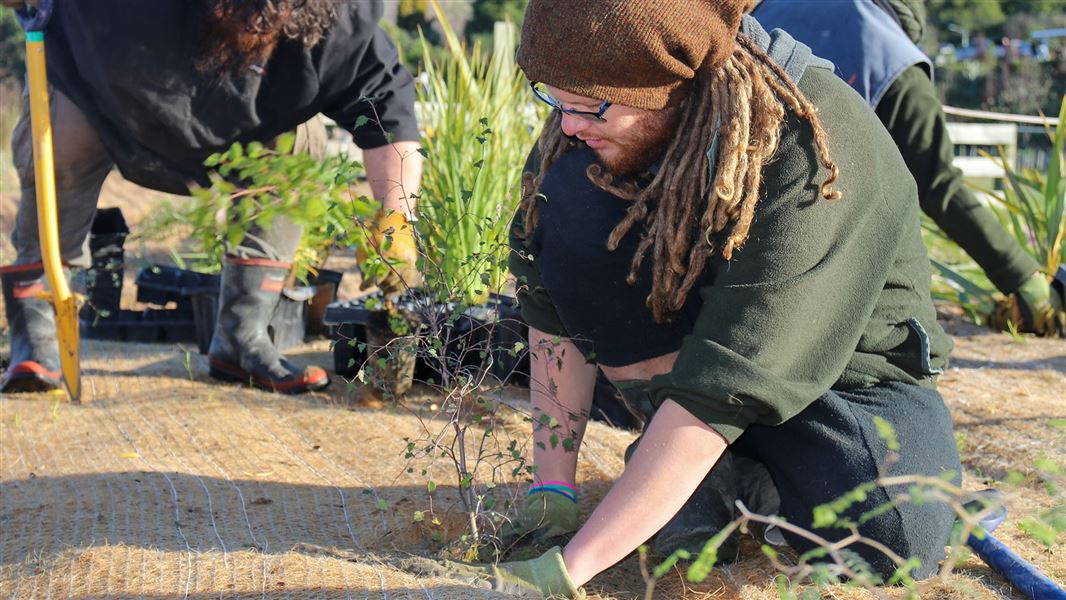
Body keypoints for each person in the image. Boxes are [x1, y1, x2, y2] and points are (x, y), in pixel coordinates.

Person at [400, 1, 962, 597]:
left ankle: (722, 476)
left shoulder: (815, 150)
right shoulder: (585, 122)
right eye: (554, 100)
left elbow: (730, 379)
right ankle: (702, 478)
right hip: (694, 369)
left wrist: (565, 575)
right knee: (569, 199)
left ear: (672, 84)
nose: (568, 125)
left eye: (590, 107)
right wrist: (553, 496)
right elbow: (548, 306)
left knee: (892, 545)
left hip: (844, 384)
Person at [0, 0, 423, 394]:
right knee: (58, 143)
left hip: (250, 121)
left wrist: (396, 218)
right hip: (106, 93)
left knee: (300, 143)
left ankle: (243, 338)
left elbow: (387, 106)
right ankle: (35, 340)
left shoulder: (339, 18)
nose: (251, 25)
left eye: (265, 20)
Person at [751, 0, 1065, 337]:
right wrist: (1022, 277)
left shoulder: (766, 10)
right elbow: (939, 185)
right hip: (802, 272)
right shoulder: (893, 59)